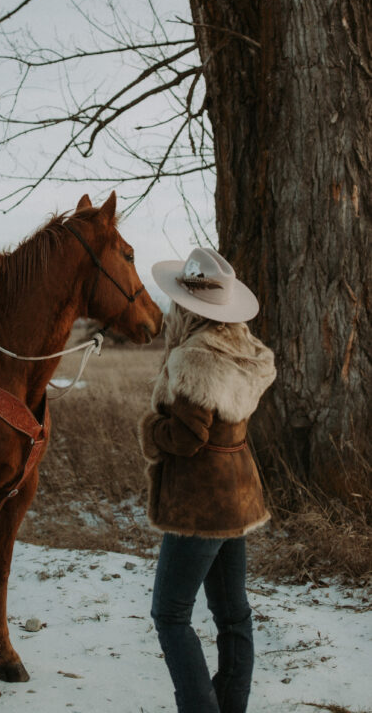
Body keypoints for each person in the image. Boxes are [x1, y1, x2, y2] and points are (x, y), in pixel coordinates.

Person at [140, 247, 276, 713]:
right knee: (233, 615)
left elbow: (187, 436)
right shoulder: (245, 348)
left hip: (199, 505)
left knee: (170, 613)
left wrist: (150, 429)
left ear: (187, 306)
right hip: (238, 496)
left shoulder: (194, 355)